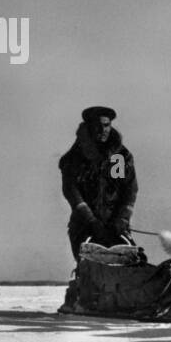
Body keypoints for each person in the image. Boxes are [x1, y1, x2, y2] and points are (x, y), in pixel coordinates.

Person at [59, 105, 138, 260]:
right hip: (84, 227)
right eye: (98, 126)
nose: (103, 130)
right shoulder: (74, 159)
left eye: (107, 125)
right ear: (89, 127)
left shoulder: (118, 157)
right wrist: (92, 221)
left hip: (115, 227)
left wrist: (122, 218)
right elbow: (72, 192)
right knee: (90, 269)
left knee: (129, 265)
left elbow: (127, 189)